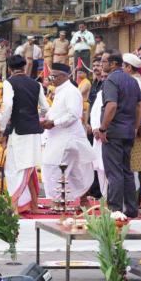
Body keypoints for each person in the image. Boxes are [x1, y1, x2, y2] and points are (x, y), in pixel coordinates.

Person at [0, 55, 50, 213]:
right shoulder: (36, 84)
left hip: (20, 131)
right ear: (25, 66)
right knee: (29, 167)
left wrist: (1, 127)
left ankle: (14, 207)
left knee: (15, 169)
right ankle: (34, 206)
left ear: (9, 69)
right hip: (34, 131)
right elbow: (45, 108)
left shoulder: (9, 83)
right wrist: (35, 117)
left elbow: (7, 106)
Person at [41, 63, 96, 208]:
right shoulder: (60, 90)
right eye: (50, 76)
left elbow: (73, 115)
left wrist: (53, 122)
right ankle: (84, 201)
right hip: (58, 137)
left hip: (67, 138)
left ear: (65, 76)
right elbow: (58, 111)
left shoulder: (71, 91)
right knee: (74, 172)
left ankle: (58, 200)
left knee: (54, 167)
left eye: (54, 76)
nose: (51, 79)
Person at [98, 50, 141, 218]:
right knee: (126, 170)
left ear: (112, 64)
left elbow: (111, 106)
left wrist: (103, 128)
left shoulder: (112, 79)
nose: (101, 64)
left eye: (103, 61)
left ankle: (115, 209)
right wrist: (135, 125)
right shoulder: (132, 81)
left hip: (114, 131)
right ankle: (131, 209)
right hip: (127, 131)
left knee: (114, 171)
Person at [123, 53, 141, 176]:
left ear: (129, 67)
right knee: (140, 170)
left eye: (122, 67)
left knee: (130, 168)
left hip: (131, 130)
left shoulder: (129, 82)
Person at [90, 70, 110, 200]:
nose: (103, 79)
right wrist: (95, 128)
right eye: (102, 77)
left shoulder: (116, 92)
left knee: (108, 166)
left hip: (109, 134)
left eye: (106, 76)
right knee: (99, 166)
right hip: (98, 135)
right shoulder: (100, 93)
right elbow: (94, 113)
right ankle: (103, 195)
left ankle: (110, 195)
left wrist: (103, 128)